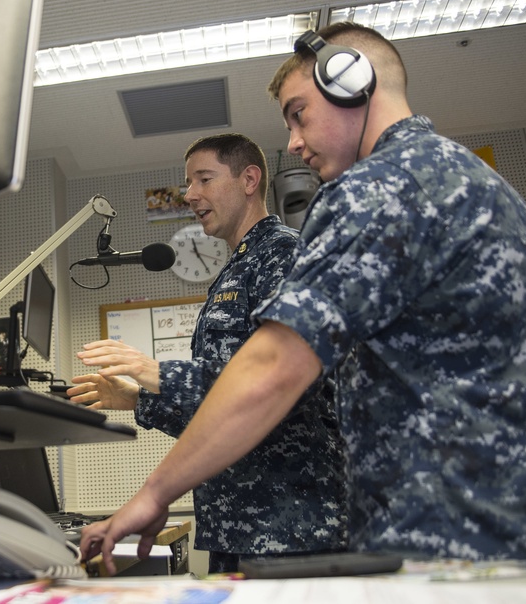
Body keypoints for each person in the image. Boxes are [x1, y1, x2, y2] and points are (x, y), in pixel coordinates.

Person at [79, 23, 526, 582]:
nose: (292, 140)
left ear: (352, 84)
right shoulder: (473, 180)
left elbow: (274, 369)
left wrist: (155, 492)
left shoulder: (376, 189)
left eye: (299, 113)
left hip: (461, 545)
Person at [68, 133, 347, 573]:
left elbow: (275, 387)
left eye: (204, 179)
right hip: (238, 527)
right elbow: (225, 409)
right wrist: (138, 398)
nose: (190, 194)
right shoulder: (237, 267)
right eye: (188, 183)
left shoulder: (282, 254)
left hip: (290, 529)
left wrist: (151, 369)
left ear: (249, 179)